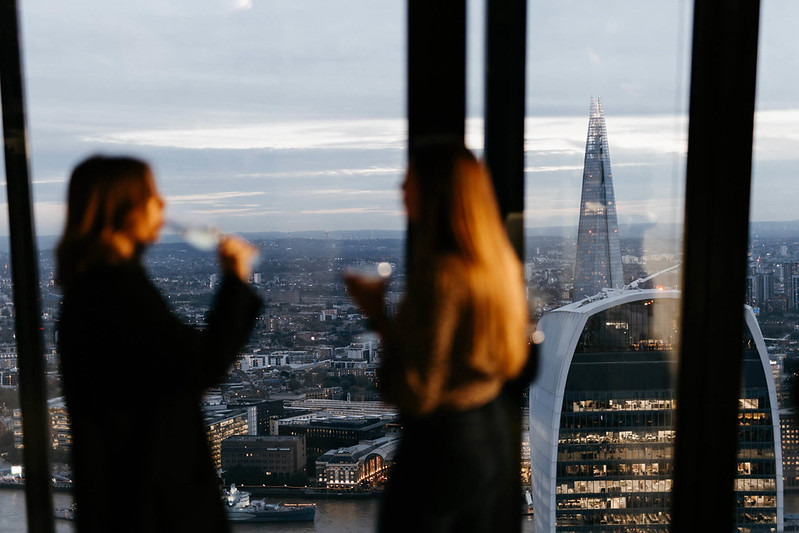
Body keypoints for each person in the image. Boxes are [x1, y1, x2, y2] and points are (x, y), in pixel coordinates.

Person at [57, 155, 262, 532]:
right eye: (152, 195)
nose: (163, 205)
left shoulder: (93, 290)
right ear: (125, 208)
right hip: (151, 507)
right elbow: (204, 365)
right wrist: (235, 282)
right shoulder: (116, 293)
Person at [346, 139, 531, 532]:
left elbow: (417, 389)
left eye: (409, 179)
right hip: (486, 435)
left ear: (435, 192)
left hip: (439, 449)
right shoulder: (496, 265)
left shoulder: (442, 274)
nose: (400, 188)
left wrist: (378, 316)